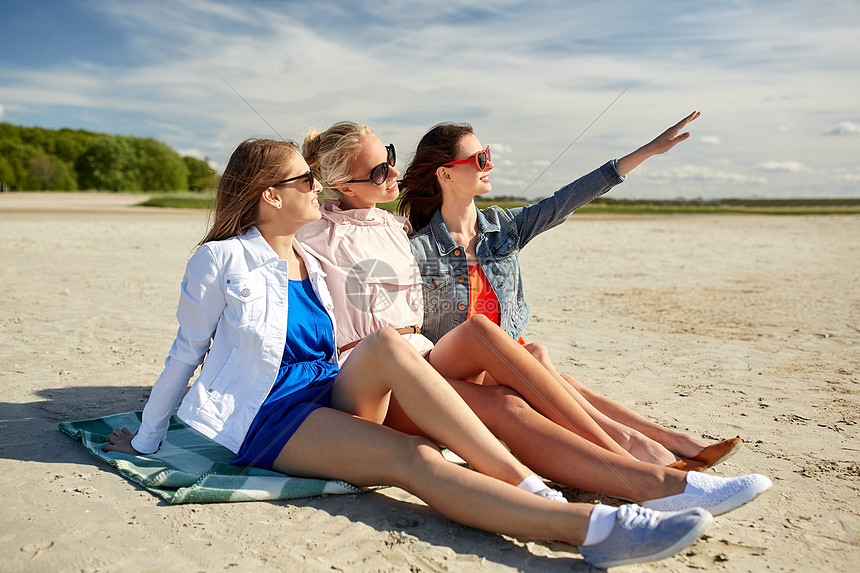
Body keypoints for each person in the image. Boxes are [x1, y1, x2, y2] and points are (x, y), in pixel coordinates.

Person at [100, 137, 717, 568]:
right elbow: (185, 355)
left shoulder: (309, 256)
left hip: (332, 389)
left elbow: (367, 230)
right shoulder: (221, 259)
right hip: (275, 418)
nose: (318, 188)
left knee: (390, 346)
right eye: (305, 181)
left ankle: (583, 481)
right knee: (417, 459)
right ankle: (585, 525)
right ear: (268, 196)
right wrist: (150, 439)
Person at [297, 121, 770, 511]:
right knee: (509, 386)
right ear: (340, 184)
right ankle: (639, 463)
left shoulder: (397, 227)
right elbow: (264, 234)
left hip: (422, 357)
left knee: (499, 351)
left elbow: (560, 203)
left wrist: (641, 154)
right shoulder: (320, 233)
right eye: (380, 168)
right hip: (372, 376)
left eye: (392, 159)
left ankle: (643, 459)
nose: (392, 172)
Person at [402, 112, 740, 468]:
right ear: (446, 173)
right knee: (538, 359)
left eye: (487, 153)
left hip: (511, 361)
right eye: (479, 159)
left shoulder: (503, 228)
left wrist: (646, 152)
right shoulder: (418, 248)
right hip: (461, 374)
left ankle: (674, 442)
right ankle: (634, 448)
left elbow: (566, 200)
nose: (490, 163)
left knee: (560, 377)